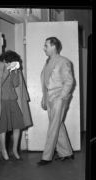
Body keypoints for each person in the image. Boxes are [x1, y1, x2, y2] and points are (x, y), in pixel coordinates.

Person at [37, 37, 75, 166]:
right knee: (58, 125)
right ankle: (67, 152)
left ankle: (46, 157)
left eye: (46, 45)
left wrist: (61, 97)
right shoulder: (48, 62)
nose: (44, 48)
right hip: (50, 99)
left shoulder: (63, 61)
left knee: (53, 126)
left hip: (59, 98)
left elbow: (69, 81)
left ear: (54, 46)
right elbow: (46, 82)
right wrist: (44, 97)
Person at [0, 50, 32, 161]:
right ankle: (4, 150)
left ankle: (14, 150)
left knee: (18, 125)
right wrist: (7, 69)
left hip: (13, 100)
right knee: (2, 127)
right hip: (2, 101)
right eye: (9, 62)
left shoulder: (14, 69)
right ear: (5, 60)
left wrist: (15, 71)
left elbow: (16, 84)